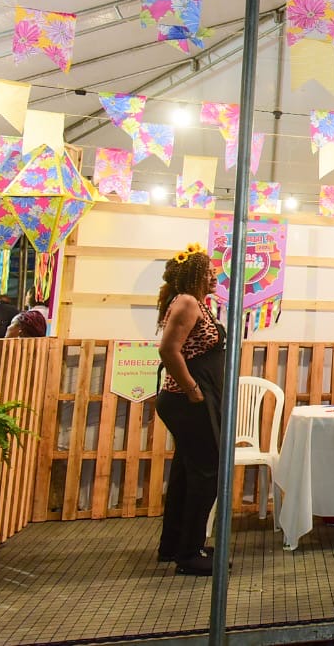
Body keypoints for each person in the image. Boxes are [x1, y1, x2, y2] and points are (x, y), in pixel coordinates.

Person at [154, 243, 226, 575]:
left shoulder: (196, 303)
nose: (214, 275)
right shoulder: (185, 303)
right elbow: (169, 350)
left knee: (186, 473)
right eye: (208, 271)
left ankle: (176, 545)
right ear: (194, 275)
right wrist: (192, 389)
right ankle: (189, 553)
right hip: (187, 400)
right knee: (207, 472)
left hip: (195, 398)